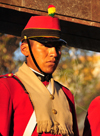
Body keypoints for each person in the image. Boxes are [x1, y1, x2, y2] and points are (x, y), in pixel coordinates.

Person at [0, 5, 79, 136]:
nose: (54, 53)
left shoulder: (66, 95)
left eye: (57, 47)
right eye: (46, 45)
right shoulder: (6, 87)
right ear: (25, 49)